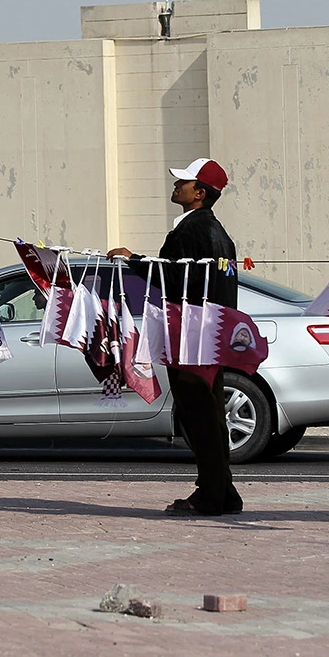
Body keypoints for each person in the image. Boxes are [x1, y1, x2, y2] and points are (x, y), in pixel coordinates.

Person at [107, 158, 241, 516]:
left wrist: (133, 260)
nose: (175, 186)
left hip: (191, 336)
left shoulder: (193, 230)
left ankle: (211, 496)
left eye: (183, 182)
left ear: (199, 193)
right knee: (208, 413)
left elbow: (176, 279)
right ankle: (224, 491)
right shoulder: (211, 231)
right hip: (205, 334)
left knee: (197, 413)